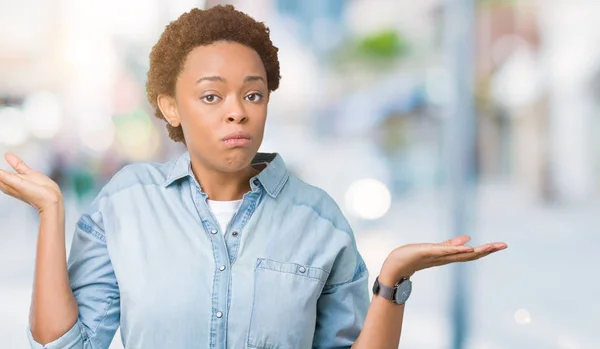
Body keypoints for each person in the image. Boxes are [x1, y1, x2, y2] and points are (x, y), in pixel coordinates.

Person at [0, 5, 507, 349]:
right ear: (170, 106)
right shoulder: (126, 203)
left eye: (253, 94)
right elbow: (65, 345)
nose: (237, 113)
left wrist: (393, 278)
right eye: (211, 96)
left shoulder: (319, 218)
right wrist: (50, 213)